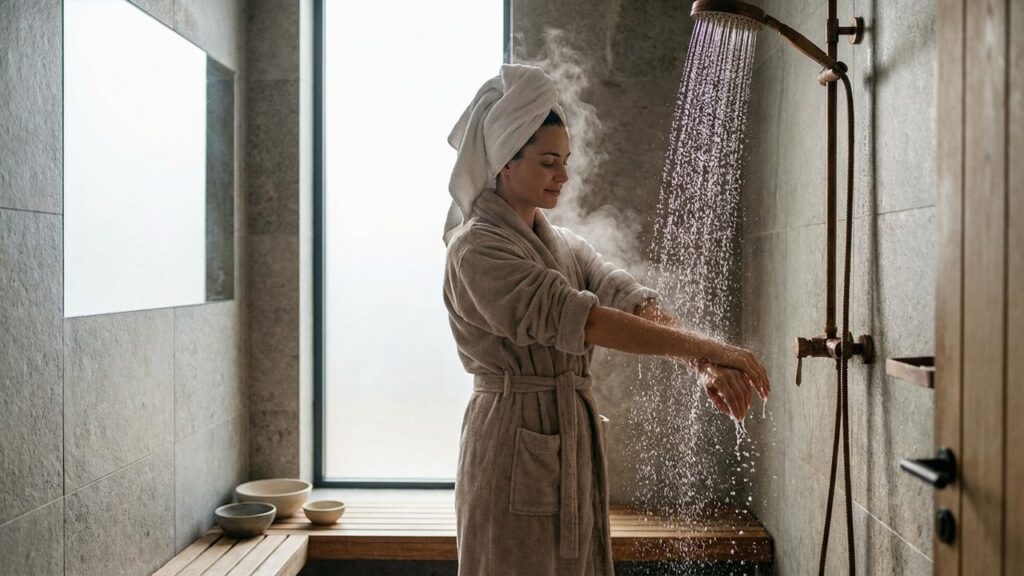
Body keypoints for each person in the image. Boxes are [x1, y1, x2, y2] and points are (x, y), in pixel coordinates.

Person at [442, 64, 770, 576]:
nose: (563, 175)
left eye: (566, 161)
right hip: (510, 443)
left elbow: (627, 297)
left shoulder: (562, 244)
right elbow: (585, 320)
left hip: (564, 435)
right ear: (506, 161)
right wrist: (714, 349)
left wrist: (703, 363)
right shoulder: (477, 248)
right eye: (549, 162)